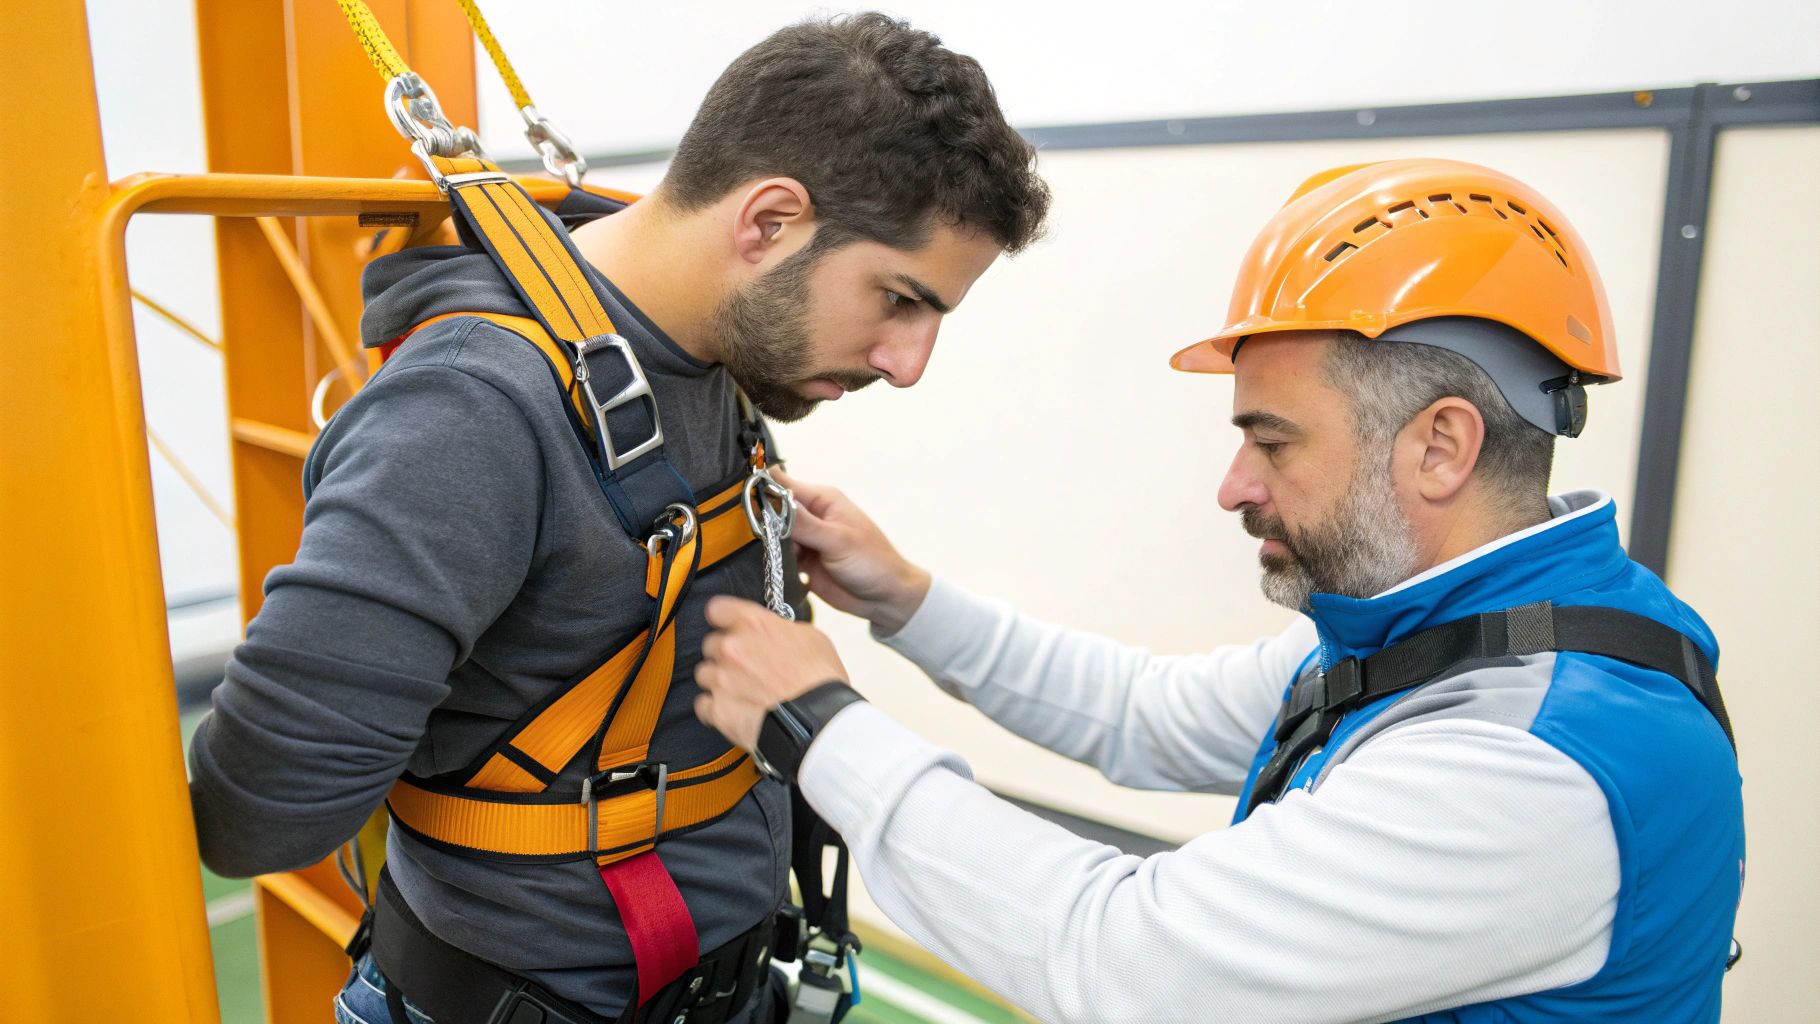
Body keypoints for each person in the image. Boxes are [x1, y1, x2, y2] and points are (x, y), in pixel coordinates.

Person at [692, 159, 1745, 1022]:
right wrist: (904, 596)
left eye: (1271, 442)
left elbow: (1123, 962)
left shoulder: (1531, 763)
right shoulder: (1451, 632)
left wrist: (818, 726)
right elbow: (1145, 713)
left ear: (1440, 447)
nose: (1234, 488)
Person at [186, 13, 1049, 1024]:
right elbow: (263, 810)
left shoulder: (698, 357)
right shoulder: (469, 415)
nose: (908, 364)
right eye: (898, 300)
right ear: (766, 222)